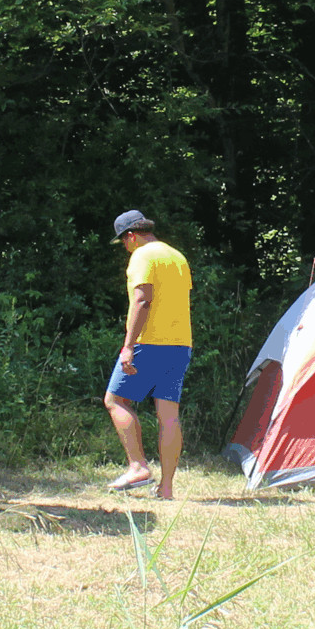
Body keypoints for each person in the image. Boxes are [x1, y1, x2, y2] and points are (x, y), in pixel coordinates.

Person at [103, 209, 192, 497]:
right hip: (181, 344)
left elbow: (142, 300)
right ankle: (166, 488)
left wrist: (128, 346)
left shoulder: (142, 256)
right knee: (168, 414)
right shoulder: (177, 257)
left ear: (131, 236)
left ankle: (137, 467)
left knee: (115, 400)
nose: (125, 248)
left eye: (123, 242)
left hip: (149, 342)